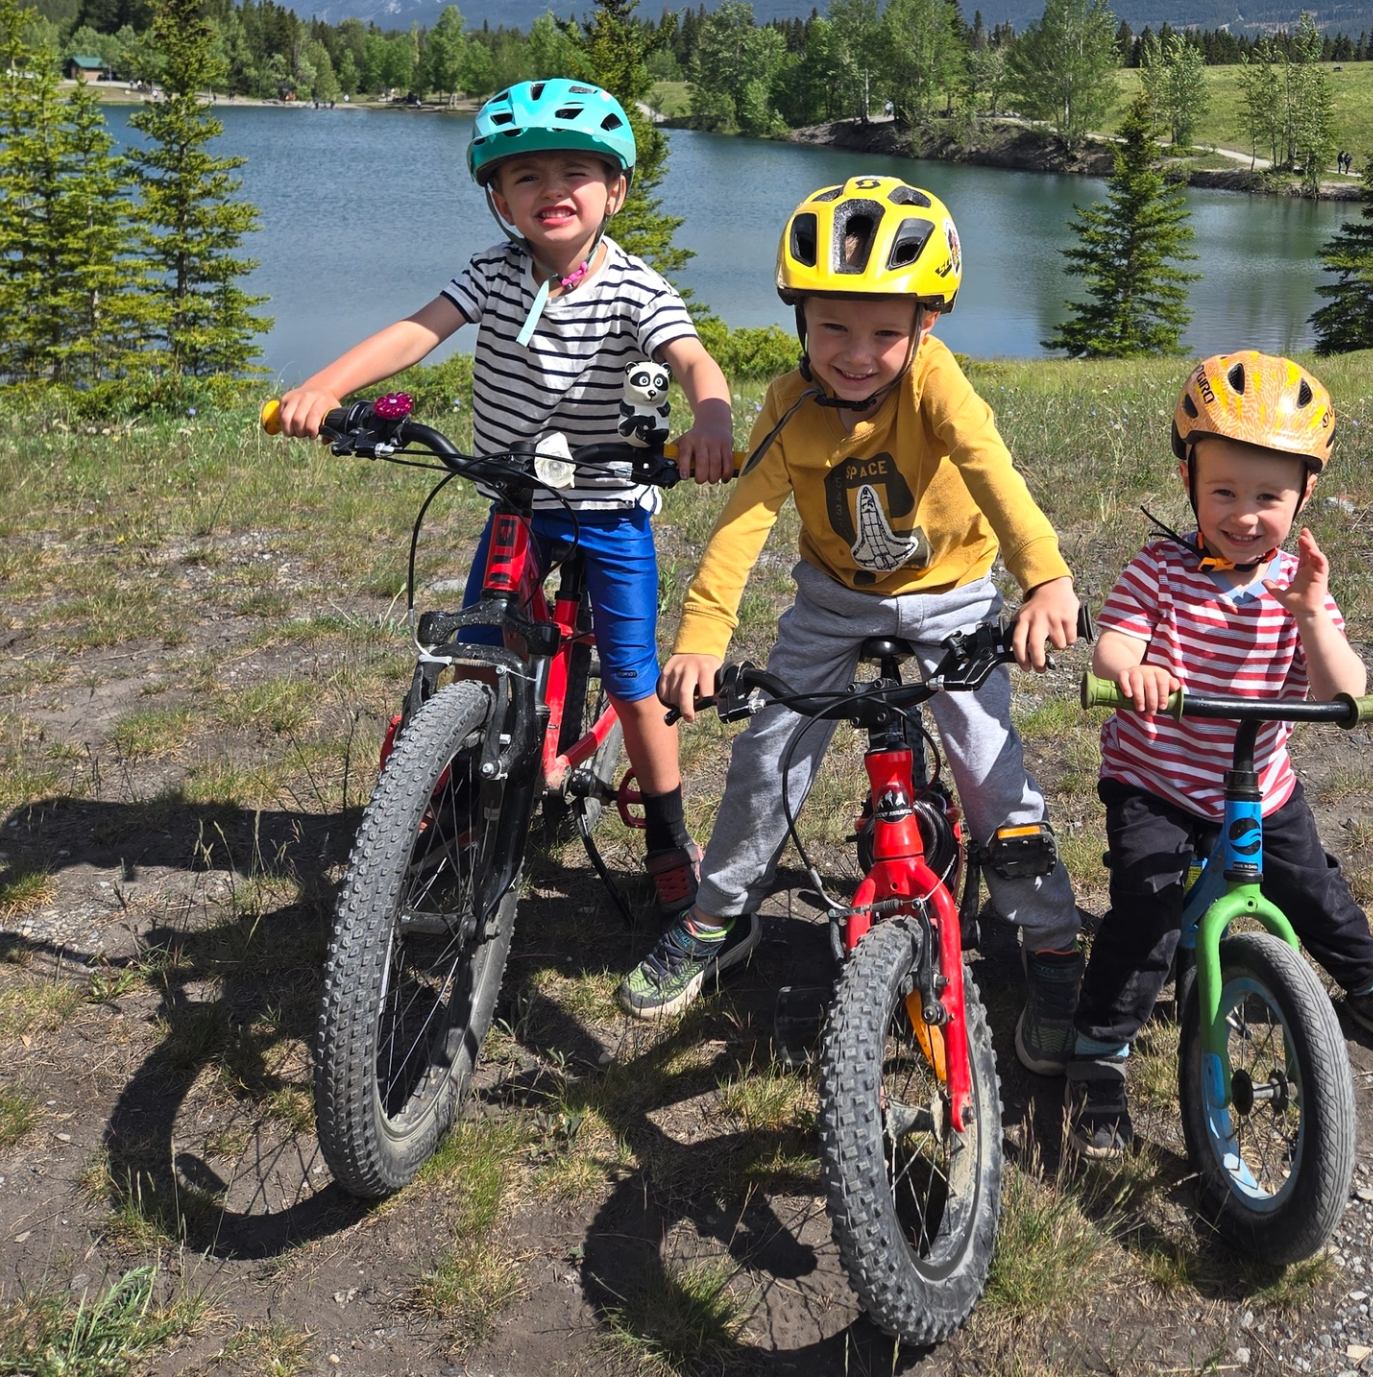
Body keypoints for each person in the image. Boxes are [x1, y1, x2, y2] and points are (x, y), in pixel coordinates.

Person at [622, 175, 1086, 1073]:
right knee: (767, 753)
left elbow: (993, 471)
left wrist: (1048, 578)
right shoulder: (789, 402)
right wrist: (702, 636)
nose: (857, 353)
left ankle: (1053, 940)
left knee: (991, 773)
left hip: (952, 592)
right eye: (833, 326)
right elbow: (745, 519)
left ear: (926, 327)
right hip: (834, 600)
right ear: (801, 320)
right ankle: (717, 918)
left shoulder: (936, 387)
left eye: (885, 331)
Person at [274, 78, 734, 920]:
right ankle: (451, 796)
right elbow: (417, 330)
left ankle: (669, 836)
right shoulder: (491, 274)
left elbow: (693, 358)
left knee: (634, 680)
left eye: (574, 172)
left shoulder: (635, 287)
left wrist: (710, 418)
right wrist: (323, 386)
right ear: (498, 198)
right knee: (477, 651)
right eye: (526, 177)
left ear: (615, 189)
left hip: (607, 503)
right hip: (519, 499)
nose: (552, 190)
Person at [1068, 352, 1373, 1160]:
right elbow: (1113, 648)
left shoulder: (1294, 583)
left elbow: (1343, 685)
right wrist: (1135, 670)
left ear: (1303, 496)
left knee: (1316, 891)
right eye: (1224, 493)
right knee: (1146, 913)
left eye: (1269, 497)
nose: (1246, 515)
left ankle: (1371, 984)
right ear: (1189, 483)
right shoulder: (1158, 572)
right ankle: (1099, 1047)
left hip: (1260, 782)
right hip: (1159, 780)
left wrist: (1313, 615)